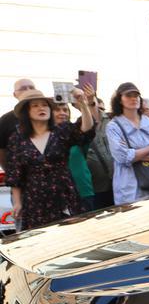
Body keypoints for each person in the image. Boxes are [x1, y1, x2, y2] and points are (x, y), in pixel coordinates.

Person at [5, 85, 96, 230]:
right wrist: (17, 202)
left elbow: (86, 129)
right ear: (26, 112)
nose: (41, 108)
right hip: (35, 199)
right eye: (35, 106)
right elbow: (15, 175)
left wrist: (83, 104)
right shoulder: (17, 139)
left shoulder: (62, 130)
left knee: (71, 235)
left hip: (65, 194)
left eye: (45, 105)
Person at [106, 82, 149, 205]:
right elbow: (121, 157)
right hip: (128, 189)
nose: (133, 98)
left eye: (136, 95)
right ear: (120, 100)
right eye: (128, 95)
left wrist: (133, 153)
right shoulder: (114, 126)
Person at [51, 100, 96, 211]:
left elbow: (88, 126)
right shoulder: (46, 137)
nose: (62, 113)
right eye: (57, 110)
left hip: (83, 190)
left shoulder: (75, 134)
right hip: (58, 193)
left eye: (65, 110)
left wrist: (82, 104)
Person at [0, 78, 38, 170]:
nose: (28, 91)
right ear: (15, 94)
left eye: (31, 87)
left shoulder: (50, 115)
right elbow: (1, 151)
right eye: (23, 88)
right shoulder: (5, 120)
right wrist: (10, 173)